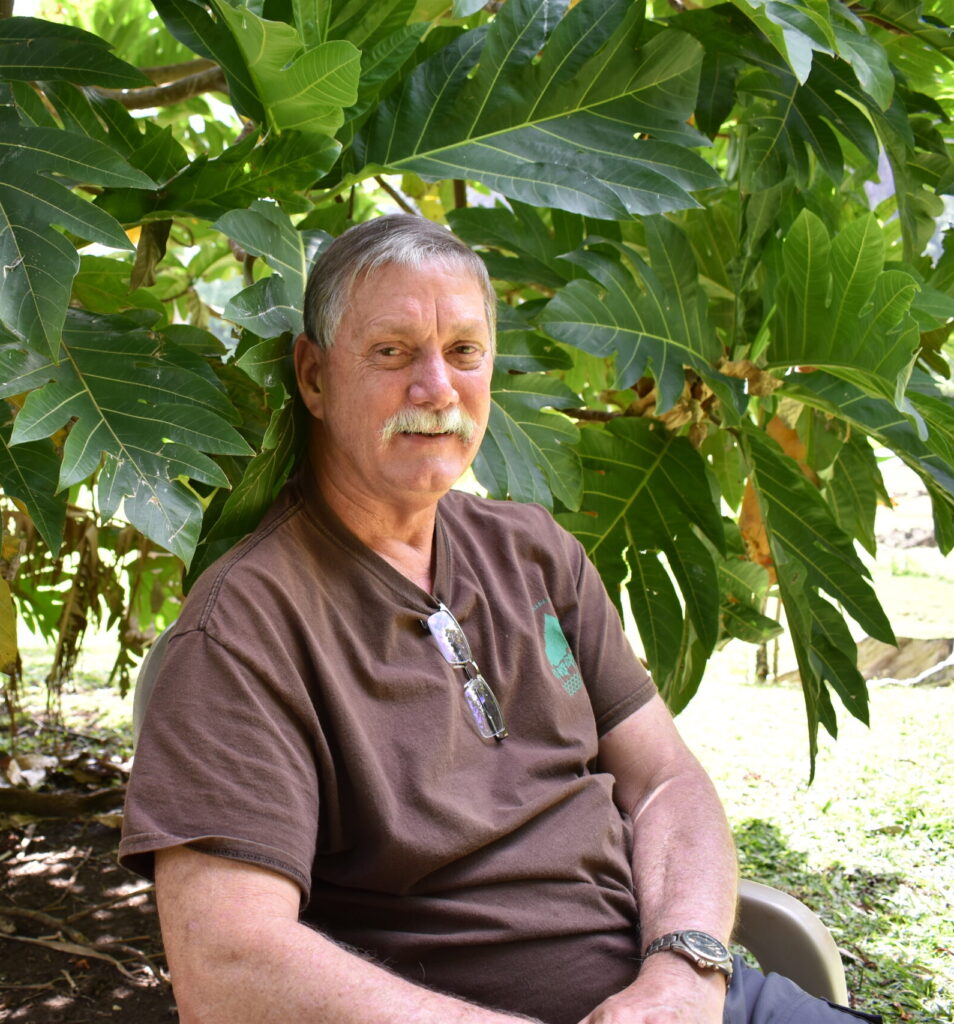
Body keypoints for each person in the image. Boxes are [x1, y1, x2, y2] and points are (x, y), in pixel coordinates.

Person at [120, 215, 881, 1024]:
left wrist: (683, 973)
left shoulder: (533, 551)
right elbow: (227, 964)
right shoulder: (245, 628)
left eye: (463, 353)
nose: (437, 389)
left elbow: (665, 781)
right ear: (313, 376)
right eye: (392, 352)